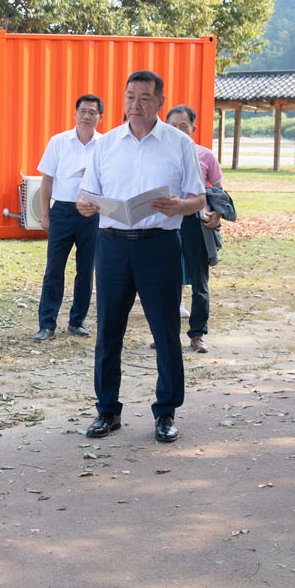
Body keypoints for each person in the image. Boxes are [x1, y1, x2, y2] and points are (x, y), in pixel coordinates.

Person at [76, 70, 206, 444]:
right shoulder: (106, 144)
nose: (135, 105)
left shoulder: (179, 144)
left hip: (159, 246)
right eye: (130, 97)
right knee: (108, 331)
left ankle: (166, 412)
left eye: (144, 98)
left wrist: (179, 205)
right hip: (112, 245)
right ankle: (107, 410)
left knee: (165, 332)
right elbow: (87, 193)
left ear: (159, 102)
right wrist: (85, 205)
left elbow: (199, 197)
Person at [33, 94, 103, 341]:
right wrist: (45, 214)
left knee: (86, 270)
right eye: (82, 111)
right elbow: (47, 180)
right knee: (54, 269)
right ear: (75, 114)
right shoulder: (59, 142)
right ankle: (47, 324)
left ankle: (77, 321)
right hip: (62, 212)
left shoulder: (105, 145)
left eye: (92, 112)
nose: (86, 116)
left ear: (100, 117)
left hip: (92, 215)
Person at [164, 104, 222, 352]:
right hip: (165, 223)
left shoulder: (205, 155)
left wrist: (217, 213)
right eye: (173, 126)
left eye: (183, 126)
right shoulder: (158, 155)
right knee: (166, 281)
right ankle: (165, 334)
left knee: (199, 282)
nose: (178, 131)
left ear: (193, 129)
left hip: (195, 223)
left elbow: (218, 189)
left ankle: (197, 334)